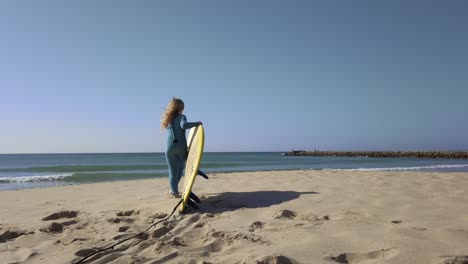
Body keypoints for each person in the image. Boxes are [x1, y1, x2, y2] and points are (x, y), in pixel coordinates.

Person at [161, 98, 202, 198]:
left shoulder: (168, 119)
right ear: (180, 107)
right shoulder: (182, 117)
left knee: (172, 170)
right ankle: (174, 189)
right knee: (180, 169)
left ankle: (174, 191)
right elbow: (183, 125)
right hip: (181, 147)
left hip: (169, 147)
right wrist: (197, 123)